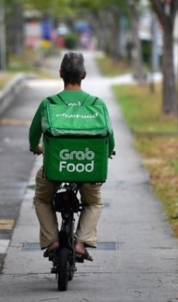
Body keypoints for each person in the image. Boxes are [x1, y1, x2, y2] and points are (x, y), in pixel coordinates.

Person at [28, 52, 115, 261]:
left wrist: (36, 147)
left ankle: (53, 240)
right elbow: (109, 138)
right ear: (84, 75)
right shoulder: (97, 104)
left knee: (42, 199)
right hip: (89, 168)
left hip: (55, 167)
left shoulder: (49, 103)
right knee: (93, 203)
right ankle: (80, 242)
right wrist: (109, 151)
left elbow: (33, 134)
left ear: (60, 74)